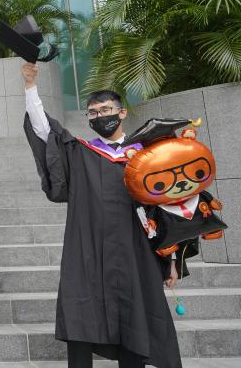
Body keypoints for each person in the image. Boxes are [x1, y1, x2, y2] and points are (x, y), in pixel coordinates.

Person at [21, 63, 182, 368]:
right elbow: (44, 131)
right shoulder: (82, 153)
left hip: (135, 252)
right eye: (92, 113)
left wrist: (172, 260)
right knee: (81, 317)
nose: (99, 116)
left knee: (135, 320)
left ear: (121, 112)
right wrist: (31, 87)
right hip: (88, 252)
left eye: (105, 110)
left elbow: (168, 208)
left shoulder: (147, 156)